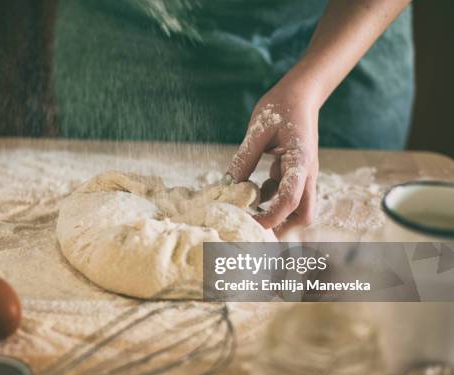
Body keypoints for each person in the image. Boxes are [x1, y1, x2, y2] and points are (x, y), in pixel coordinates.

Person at [52, 0, 414, 229]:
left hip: (346, 25)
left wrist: (312, 86)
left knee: (338, 245)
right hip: (131, 26)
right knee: (105, 221)